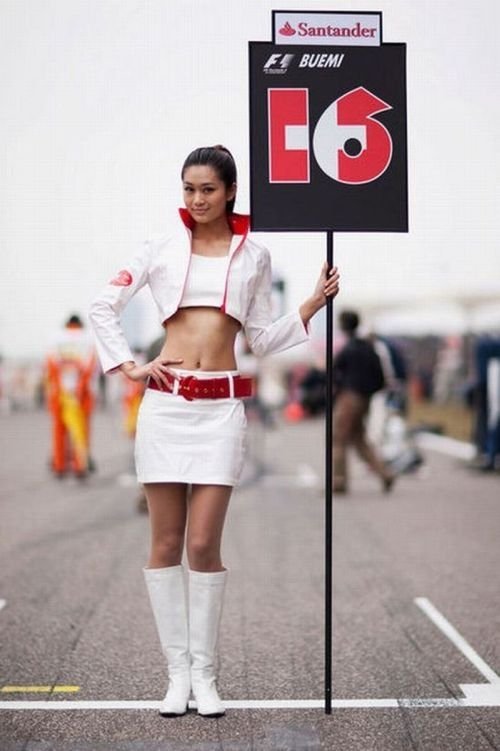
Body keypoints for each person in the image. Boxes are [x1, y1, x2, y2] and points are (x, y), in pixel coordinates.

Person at [89, 145, 340, 718]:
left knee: (203, 545)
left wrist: (310, 304)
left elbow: (260, 338)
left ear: (230, 191)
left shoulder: (254, 254)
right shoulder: (159, 249)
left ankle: (206, 675)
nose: (197, 200)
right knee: (164, 545)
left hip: (221, 413)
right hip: (165, 409)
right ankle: (177, 675)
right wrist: (129, 366)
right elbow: (103, 306)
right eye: (188, 189)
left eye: (207, 189)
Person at [332, 309, 394, 494]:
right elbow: (381, 377)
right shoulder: (368, 347)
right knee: (359, 440)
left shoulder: (348, 349)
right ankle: (385, 474)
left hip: (350, 397)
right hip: (365, 398)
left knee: (338, 439)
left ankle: (339, 482)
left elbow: (335, 372)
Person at [44, 314, 96, 478]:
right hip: (81, 394)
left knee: (59, 431)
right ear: (80, 324)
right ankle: (80, 464)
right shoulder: (88, 338)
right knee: (80, 429)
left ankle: (60, 465)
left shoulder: (55, 338)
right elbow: (91, 368)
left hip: (60, 394)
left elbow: (50, 367)